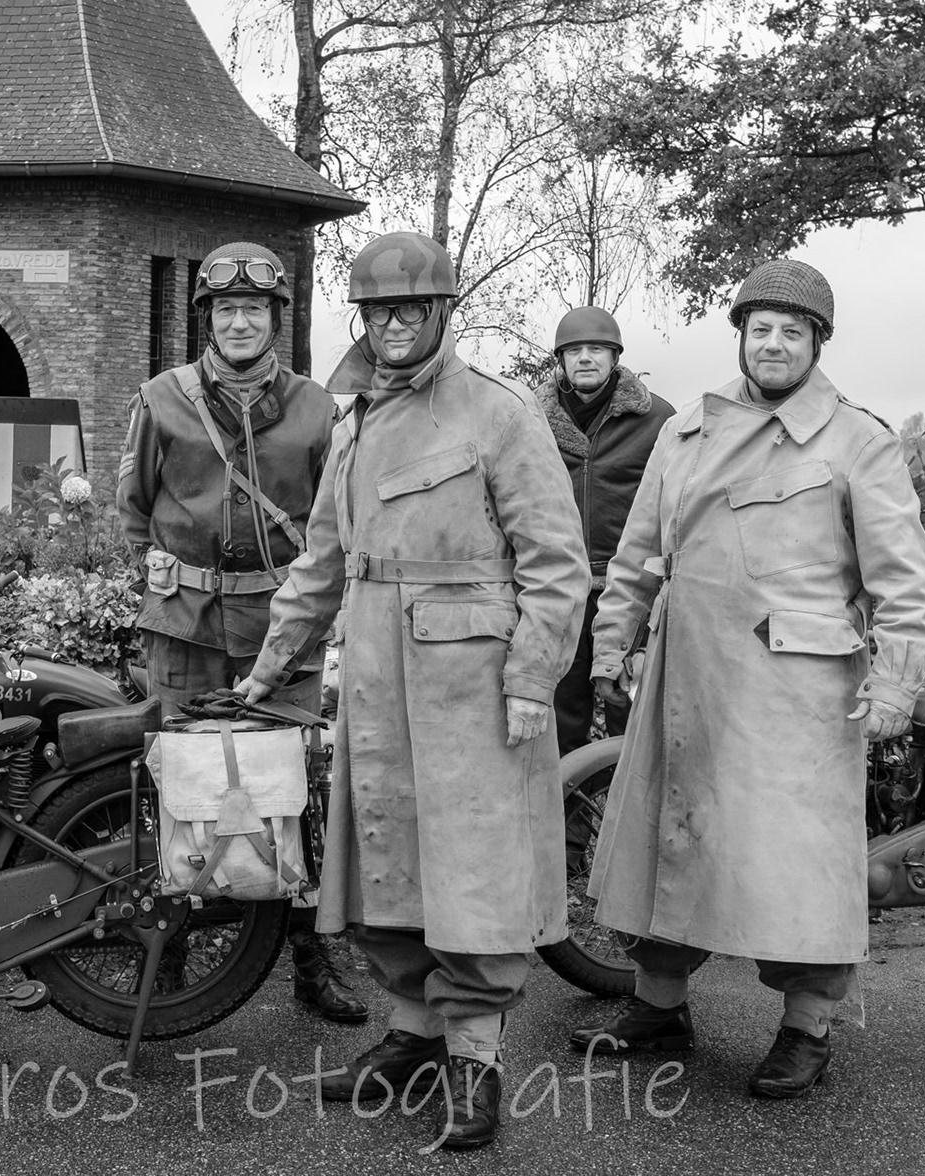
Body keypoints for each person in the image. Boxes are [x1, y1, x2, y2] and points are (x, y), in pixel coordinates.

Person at [234, 231, 588, 1150]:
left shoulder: (500, 414)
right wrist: (269, 670)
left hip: (474, 684)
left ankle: (476, 1055)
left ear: (441, 312)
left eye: (410, 310)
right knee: (382, 859)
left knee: (474, 870)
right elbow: (321, 562)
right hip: (379, 682)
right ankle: (413, 1034)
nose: (392, 326)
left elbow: (556, 565)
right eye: (378, 311)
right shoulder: (352, 423)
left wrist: (532, 679)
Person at [571, 258, 925, 1100]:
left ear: (817, 343)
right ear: (740, 336)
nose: (774, 344)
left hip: (798, 695)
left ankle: (807, 1026)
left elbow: (906, 586)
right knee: (669, 838)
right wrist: (610, 643)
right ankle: (658, 1003)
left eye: (793, 331)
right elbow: (636, 555)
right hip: (686, 678)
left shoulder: (860, 441)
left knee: (798, 865)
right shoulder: (686, 431)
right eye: (760, 328)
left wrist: (894, 687)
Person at [116, 241, 366, 1025]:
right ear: (208, 320)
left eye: (254, 310)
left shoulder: (318, 411)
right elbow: (131, 512)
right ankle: (174, 954)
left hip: (280, 632)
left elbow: (336, 524)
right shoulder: (162, 400)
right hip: (183, 630)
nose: (240, 323)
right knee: (180, 786)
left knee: (293, 793)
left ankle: (308, 958)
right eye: (225, 310)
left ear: (277, 319)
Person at [532, 305, 675, 754]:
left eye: (597, 349)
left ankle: (629, 816)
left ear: (616, 357)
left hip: (631, 588)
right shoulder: (531, 420)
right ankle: (566, 819)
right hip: (560, 584)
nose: (585, 358)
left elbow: (675, 504)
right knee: (560, 715)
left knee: (631, 713)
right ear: (561, 359)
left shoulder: (658, 421)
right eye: (574, 350)